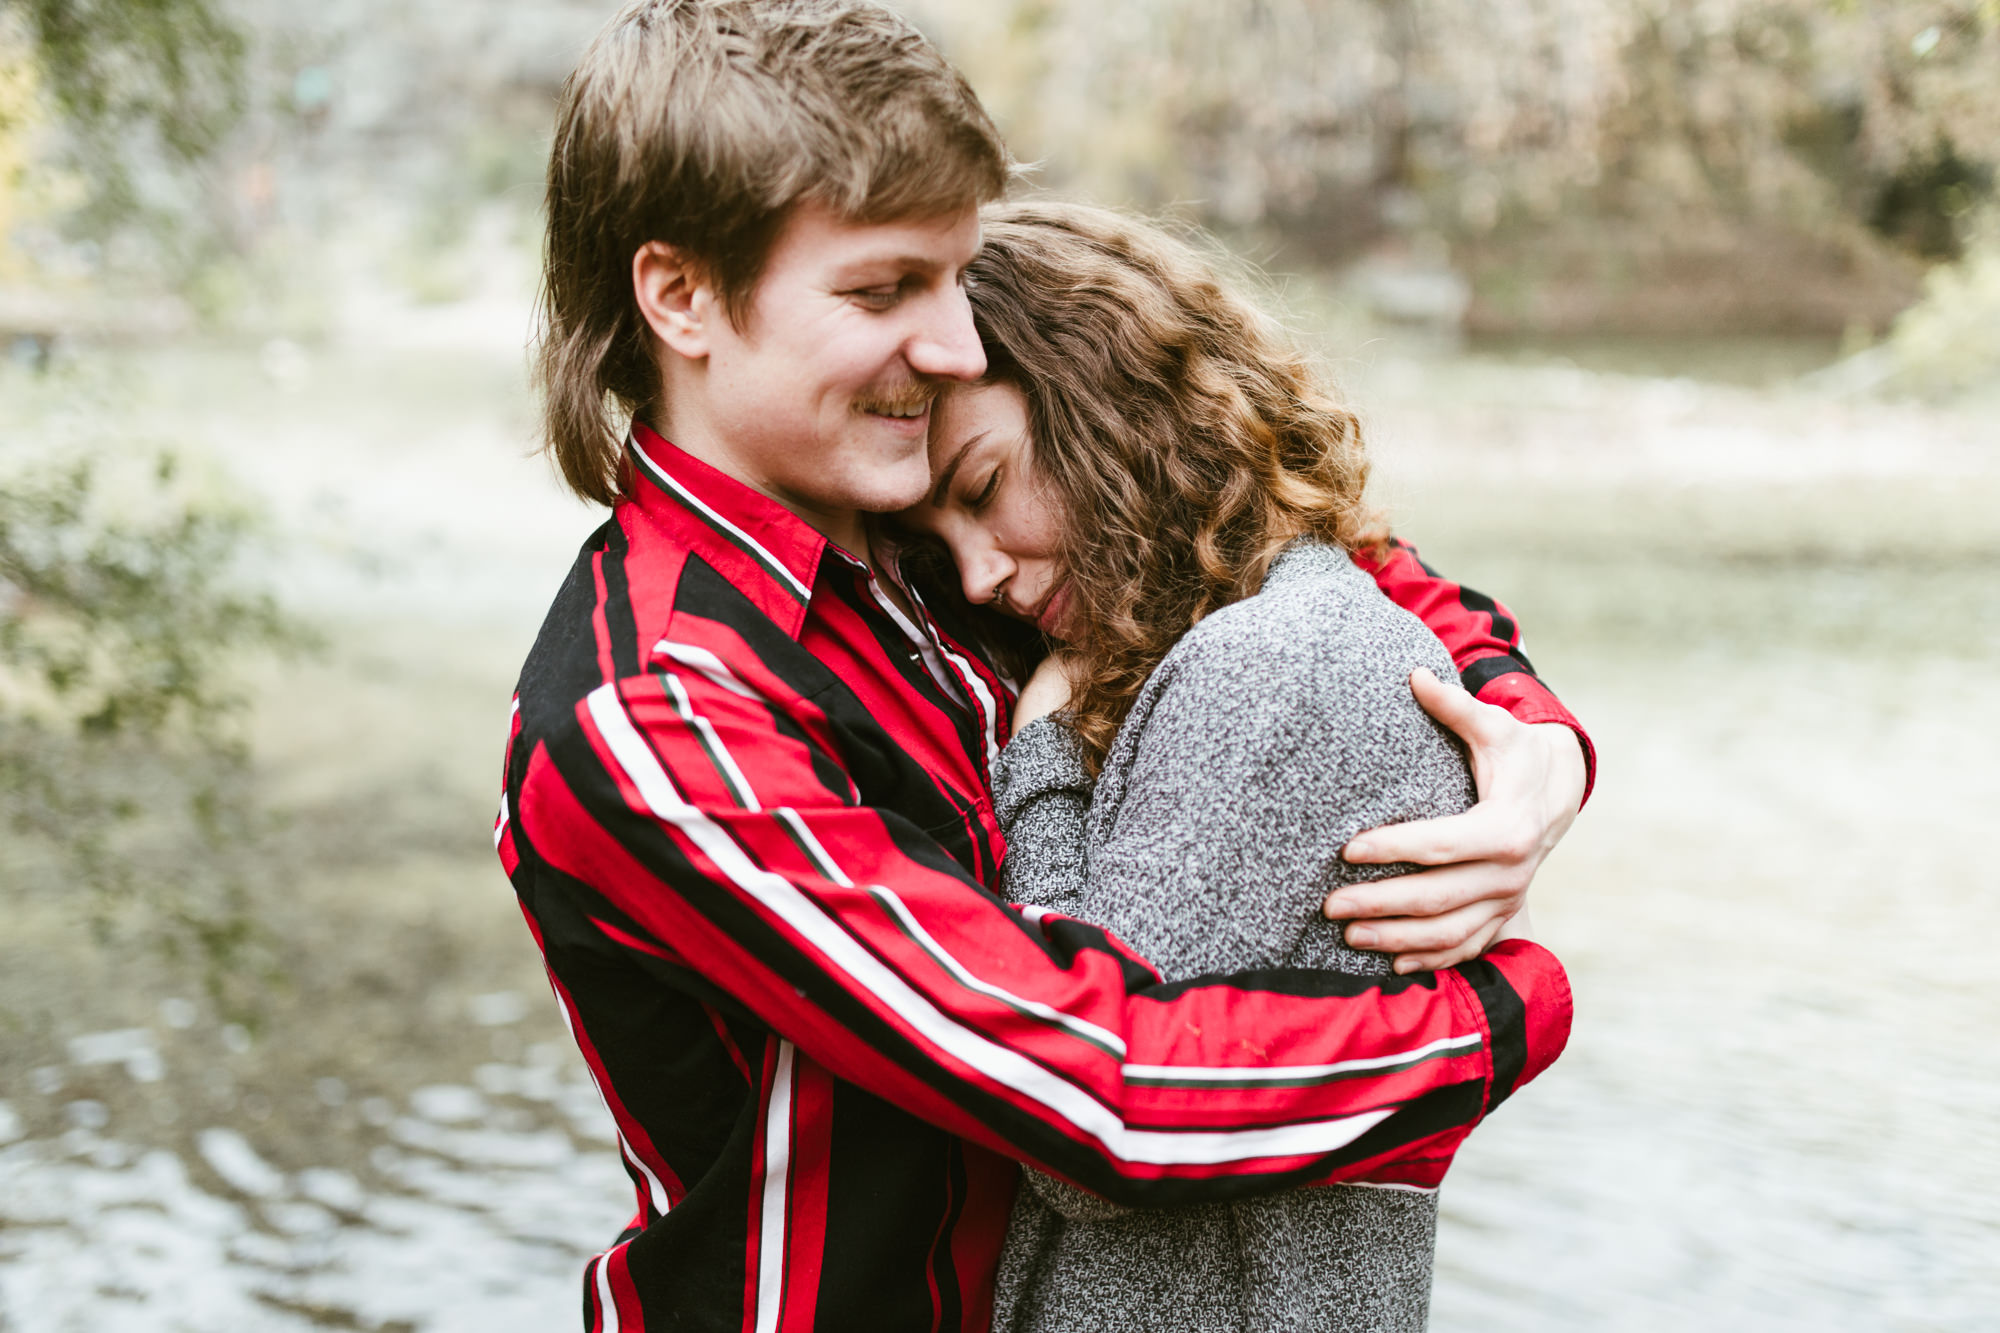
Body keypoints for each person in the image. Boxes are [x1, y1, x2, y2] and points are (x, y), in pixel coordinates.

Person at [501, 2, 1589, 1327]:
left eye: (954, 278)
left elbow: (1312, 549)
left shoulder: (901, 526)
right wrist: (1504, 1017)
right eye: (881, 290)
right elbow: (1102, 1094)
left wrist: (1528, 739)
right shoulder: (657, 705)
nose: (955, 344)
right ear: (680, 295)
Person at [899, 202, 1530, 1332]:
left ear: (1102, 399)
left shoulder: (1267, 665)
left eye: (983, 489)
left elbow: (1076, 1138)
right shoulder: (1282, 627)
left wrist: (1040, 760)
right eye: (942, 551)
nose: (981, 574)